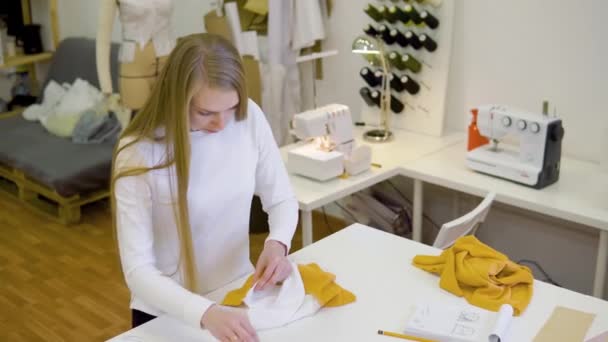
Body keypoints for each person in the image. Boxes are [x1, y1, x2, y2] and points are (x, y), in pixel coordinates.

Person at [111, 33, 298, 342]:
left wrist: (277, 244)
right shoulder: (138, 152)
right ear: (176, 97)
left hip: (238, 295)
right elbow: (138, 271)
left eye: (230, 107)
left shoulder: (248, 117)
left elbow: (281, 199)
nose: (222, 123)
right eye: (206, 112)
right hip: (166, 314)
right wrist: (204, 313)